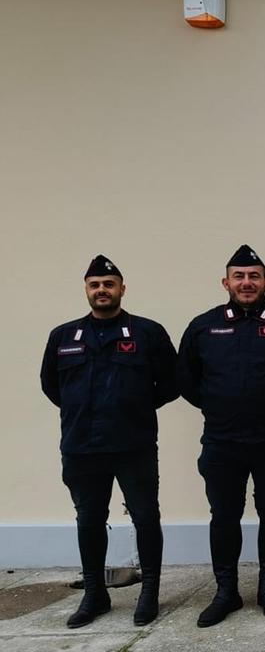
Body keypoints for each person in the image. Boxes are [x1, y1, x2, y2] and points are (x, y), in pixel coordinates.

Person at [177, 244, 265, 627]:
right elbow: (187, 380)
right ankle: (226, 591)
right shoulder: (203, 326)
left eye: (253, 276)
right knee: (224, 514)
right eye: (239, 276)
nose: (246, 283)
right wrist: (220, 406)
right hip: (222, 440)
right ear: (225, 282)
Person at [40, 255, 179, 628]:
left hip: (132, 443)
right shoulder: (64, 336)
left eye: (109, 284)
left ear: (122, 288)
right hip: (81, 446)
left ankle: (149, 591)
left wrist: (132, 406)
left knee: (146, 517)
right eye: (95, 285)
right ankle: (95, 594)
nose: (102, 290)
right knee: (89, 519)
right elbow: (52, 387)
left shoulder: (147, 332)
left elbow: (170, 382)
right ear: (87, 290)